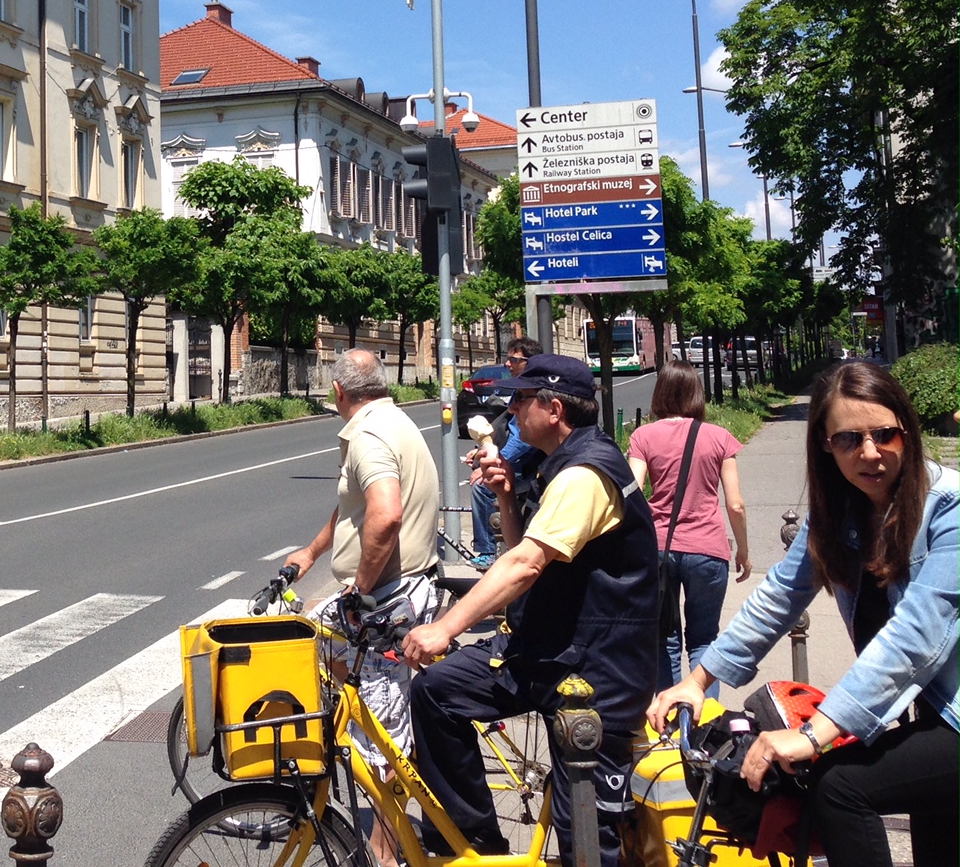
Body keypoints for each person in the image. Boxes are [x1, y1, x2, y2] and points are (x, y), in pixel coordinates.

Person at [648, 361, 960, 867]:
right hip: (934, 715)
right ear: (824, 444)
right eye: (848, 440)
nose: (869, 453)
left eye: (886, 435)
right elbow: (778, 598)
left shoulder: (950, 509)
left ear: (908, 431)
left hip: (953, 716)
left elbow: (914, 638)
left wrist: (814, 734)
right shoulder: (839, 512)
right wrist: (698, 680)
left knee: (840, 786)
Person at [403, 354, 659, 867]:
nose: (512, 409)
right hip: (550, 648)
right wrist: (505, 498)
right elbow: (529, 550)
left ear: (555, 408)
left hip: (596, 669)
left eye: (522, 399)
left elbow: (524, 564)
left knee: (582, 829)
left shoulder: (586, 473)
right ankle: (481, 843)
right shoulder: (558, 463)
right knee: (436, 692)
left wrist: (446, 627)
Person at [285, 348, 439, 867]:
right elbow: (354, 505)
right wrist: (312, 553)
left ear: (338, 392)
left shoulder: (369, 436)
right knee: (312, 636)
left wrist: (359, 593)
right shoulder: (392, 421)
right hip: (398, 590)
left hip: (389, 598)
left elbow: (385, 515)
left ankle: (385, 852)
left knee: (385, 737)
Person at [627, 360, 751, 692]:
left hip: (658, 550)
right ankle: (703, 726)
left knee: (663, 639)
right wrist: (743, 551)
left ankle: (668, 724)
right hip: (708, 550)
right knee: (704, 639)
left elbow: (633, 492)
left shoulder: (643, 436)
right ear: (696, 392)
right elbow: (735, 503)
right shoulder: (720, 437)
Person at [467, 336, 544, 569]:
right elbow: (508, 430)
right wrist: (482, 451)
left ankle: (487, 550)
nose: (507, 364)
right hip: (520, 463)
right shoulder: (521, 389)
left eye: (513, 359)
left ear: (529, 362)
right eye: (507, 358)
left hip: (530, 468)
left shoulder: (534, 390)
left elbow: (523, 439)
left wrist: (496, 462)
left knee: (482, 487)